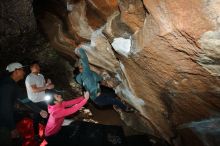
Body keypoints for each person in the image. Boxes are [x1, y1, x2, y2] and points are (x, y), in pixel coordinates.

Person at [74, 47, 134, 112]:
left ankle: (117, 106)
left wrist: (101, 79)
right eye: (81, 67)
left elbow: (96, 79)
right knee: (114, 100)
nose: (82, 66)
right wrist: (80, 50)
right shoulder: (86, 73)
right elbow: (84, 59)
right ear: (80, 70)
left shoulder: (82, 78)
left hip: (97, 98)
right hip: (98, 97)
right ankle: (125, 108)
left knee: (113, 97)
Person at [25, 61, 54, 140]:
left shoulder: (41, 75)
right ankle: (36, 135)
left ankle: (49, 132)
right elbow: (34, 90)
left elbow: (44, 86)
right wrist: (46, 87)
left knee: (47, 116)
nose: (38, 68)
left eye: (38, 66)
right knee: (36, 119)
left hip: (43, 100)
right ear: (31, 68)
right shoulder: (29, 77)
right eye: (36, 66)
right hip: (34, 102)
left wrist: (48, 84)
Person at [0, 62, 25, 145]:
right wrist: (12, 128)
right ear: (16, 71)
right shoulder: (8, 85)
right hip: (3, 124)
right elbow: (5, 108)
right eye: (22, 70)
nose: (24, 72)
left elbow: (23, 98)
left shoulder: (11, 84)